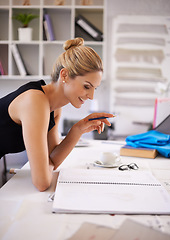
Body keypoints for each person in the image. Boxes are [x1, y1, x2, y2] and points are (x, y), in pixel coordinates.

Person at [0, 38, 113, 191]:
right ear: (64, 75)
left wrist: (77, 130)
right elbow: (42, 182)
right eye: (87, 86)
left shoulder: (54, 108)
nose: (91, 96)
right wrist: (47, 166)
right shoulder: (35, 102)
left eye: (95, 88)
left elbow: (52, 159)